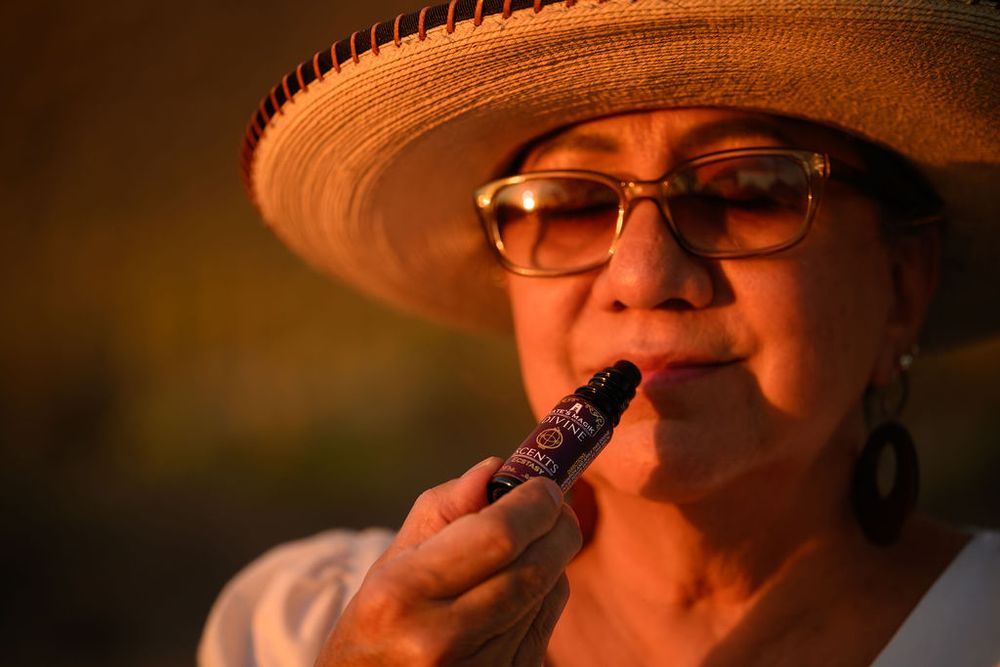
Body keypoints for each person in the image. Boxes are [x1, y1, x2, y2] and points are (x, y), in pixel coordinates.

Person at [202, 1, 1000, 665]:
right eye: (568, 205)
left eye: (748, 187)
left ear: (904, 283)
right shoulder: (295, 629)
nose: (643, 276)